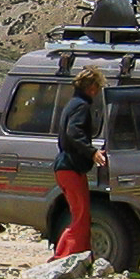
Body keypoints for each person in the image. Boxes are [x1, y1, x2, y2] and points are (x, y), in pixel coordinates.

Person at [51, 65, 107, 260]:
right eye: (98, 87)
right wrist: (92, 153)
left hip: (65, 167)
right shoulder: (81, 106)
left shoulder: (72, 103)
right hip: (70, 167)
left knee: (79, 215)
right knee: (81, 218)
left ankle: (64, 256)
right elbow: (73, 133)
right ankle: (68, 259)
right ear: (91, 87)